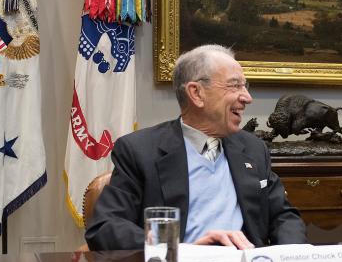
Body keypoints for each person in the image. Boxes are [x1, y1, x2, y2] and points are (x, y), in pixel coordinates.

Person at [85, 44, 306, 250]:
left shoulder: (253, 149)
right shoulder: (140, 151)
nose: (247, 97)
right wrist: (179, 251)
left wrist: (291, 258)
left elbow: (283, 217)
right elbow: (106, 227)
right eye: (235, 85)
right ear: (196, 93)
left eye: (245, 86)